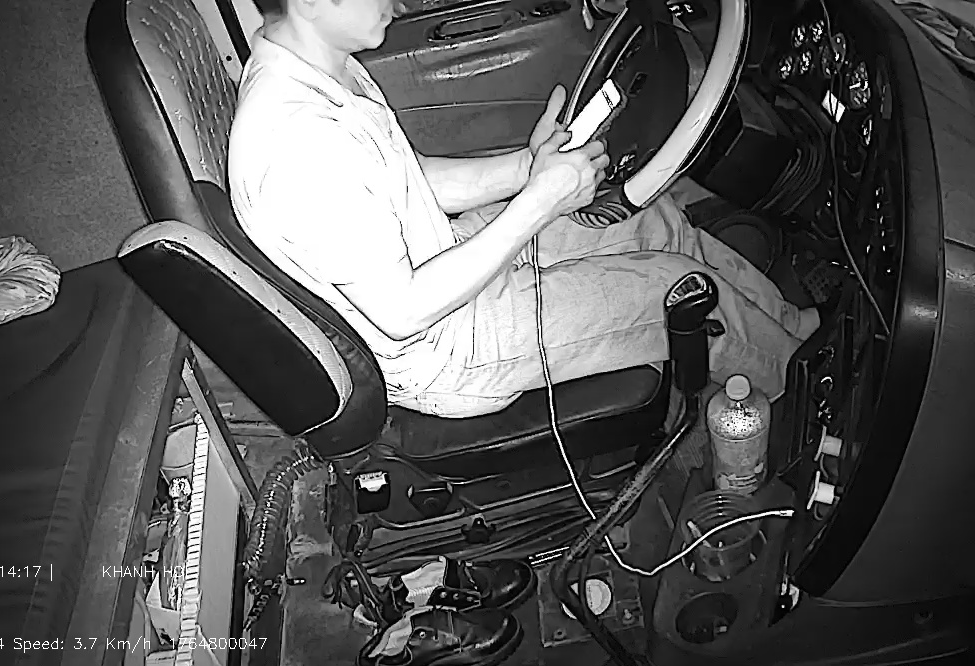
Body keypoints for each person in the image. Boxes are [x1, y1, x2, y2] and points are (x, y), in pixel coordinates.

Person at [228, 0, 821, 419]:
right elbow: (403, 312)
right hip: (444, 348)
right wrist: (538, 204)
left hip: (440, 257)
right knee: (679, 290)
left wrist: (528, 170)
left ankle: (789, 326)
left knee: (647, 219)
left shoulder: (324, 67)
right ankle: (804, 388)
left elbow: (412, 181)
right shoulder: (301, 147)